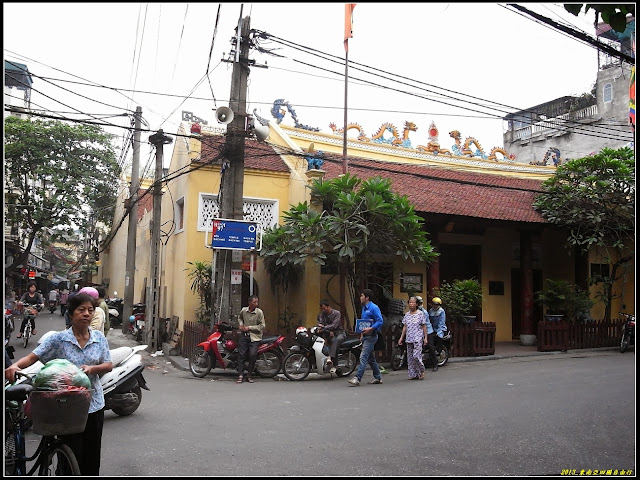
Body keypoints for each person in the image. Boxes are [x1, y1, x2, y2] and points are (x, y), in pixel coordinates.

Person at [5, 292, 113, 475]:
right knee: (70, 453)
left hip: (94, 404)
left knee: (92, 455)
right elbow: (33, 357)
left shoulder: (99, 339)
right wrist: (14, 366)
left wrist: (92, 369)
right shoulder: (59, 339)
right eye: (81, 310)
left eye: (90, 310)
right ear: (71, 314)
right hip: (66, 406)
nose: (87, 313)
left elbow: (108, 365)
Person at [348, 289, 383, 386]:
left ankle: (357, 378)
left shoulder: (374, 308)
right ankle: (378, 377)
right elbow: (364, 323)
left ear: (367, 297)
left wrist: (371, 329)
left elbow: (380, 321)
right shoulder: (364, 308)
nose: (360, 298)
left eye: (362, 296)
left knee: (363, 357)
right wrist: (362, 334)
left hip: (372, 336)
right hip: (366, 336)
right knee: (371, 359)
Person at [236, 295, 265, 384]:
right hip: (244, 336)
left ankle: (249, 375)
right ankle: (240, 375)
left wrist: (250, 328)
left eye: (257, 302)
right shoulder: (244, 310)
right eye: (254, 302)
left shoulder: (259, 312)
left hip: (255, 337)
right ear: (249, 303)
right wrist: (241, 324)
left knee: (252, 355)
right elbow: (240, 317)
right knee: (241, 355)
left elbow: (262, 326)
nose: (256, 304)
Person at [397, 296, 428, 380]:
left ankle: (421, 370)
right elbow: (405, 327)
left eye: (413, 302)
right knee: (410, 358)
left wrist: (425, 338)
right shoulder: (407, 315)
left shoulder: (420, 314)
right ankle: (413, 374)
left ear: (416, 304)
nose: (411, 304)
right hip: (409, 338)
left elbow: (424, 326)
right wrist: (401, 338)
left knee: (416, 356)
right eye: (410, 302)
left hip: (418, 337)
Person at [317, 300, 346, 372]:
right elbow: (321, 323)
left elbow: (334, 325)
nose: (324, 310)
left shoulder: (337, 313)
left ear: (328, 306)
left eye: (324, 308)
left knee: (336, 341)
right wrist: (322, 328)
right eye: (322, 309)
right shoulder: (322, 314)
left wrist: (324, 327)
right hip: (329, 333)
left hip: (340, 333)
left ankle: (331, 359)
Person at [417, 296, 439, 372]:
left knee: (430, 347)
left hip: (428, 331)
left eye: (420, 303)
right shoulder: (413, 311)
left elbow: (423, 324)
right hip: (418, 331)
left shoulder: (424, 312)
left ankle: (435, 365)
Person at [428, 297, 447, 372]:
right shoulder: (430, 311)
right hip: (432, 329)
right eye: (433, 304)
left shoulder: (441, 311)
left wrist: (438, 332)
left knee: (437, 338)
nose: (435, 306)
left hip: (440, 328)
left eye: (436, 304)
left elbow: (441, 323)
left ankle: (435, 363)